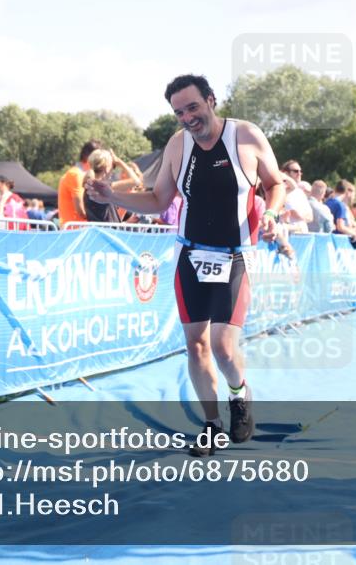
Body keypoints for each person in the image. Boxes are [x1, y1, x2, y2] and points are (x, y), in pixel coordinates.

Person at [88, 74, 283, 456]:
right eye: (179, 112)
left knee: (224, 348)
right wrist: (115, 195)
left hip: (235, 254)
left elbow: (275, 182)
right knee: (196, 347)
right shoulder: (178, 144)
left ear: (210, 100)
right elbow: (160, 200)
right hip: (190, 255)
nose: (187, 118)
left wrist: (273, 213)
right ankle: (211, 425)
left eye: (193, 107)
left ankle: (239, 393)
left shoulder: (246, 136)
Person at [58, 140, 99, 227]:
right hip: (74, 231)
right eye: (98, 157)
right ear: (87, 156)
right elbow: (81, 211)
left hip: (79, 230)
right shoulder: (76, 174)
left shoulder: (82, 174)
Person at [325, 180, 356, 246]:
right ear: (347, 191)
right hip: (338, 243)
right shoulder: (341, 205)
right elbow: (340, 227)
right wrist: (354, 233)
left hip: (328, 241)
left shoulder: (327, 202)